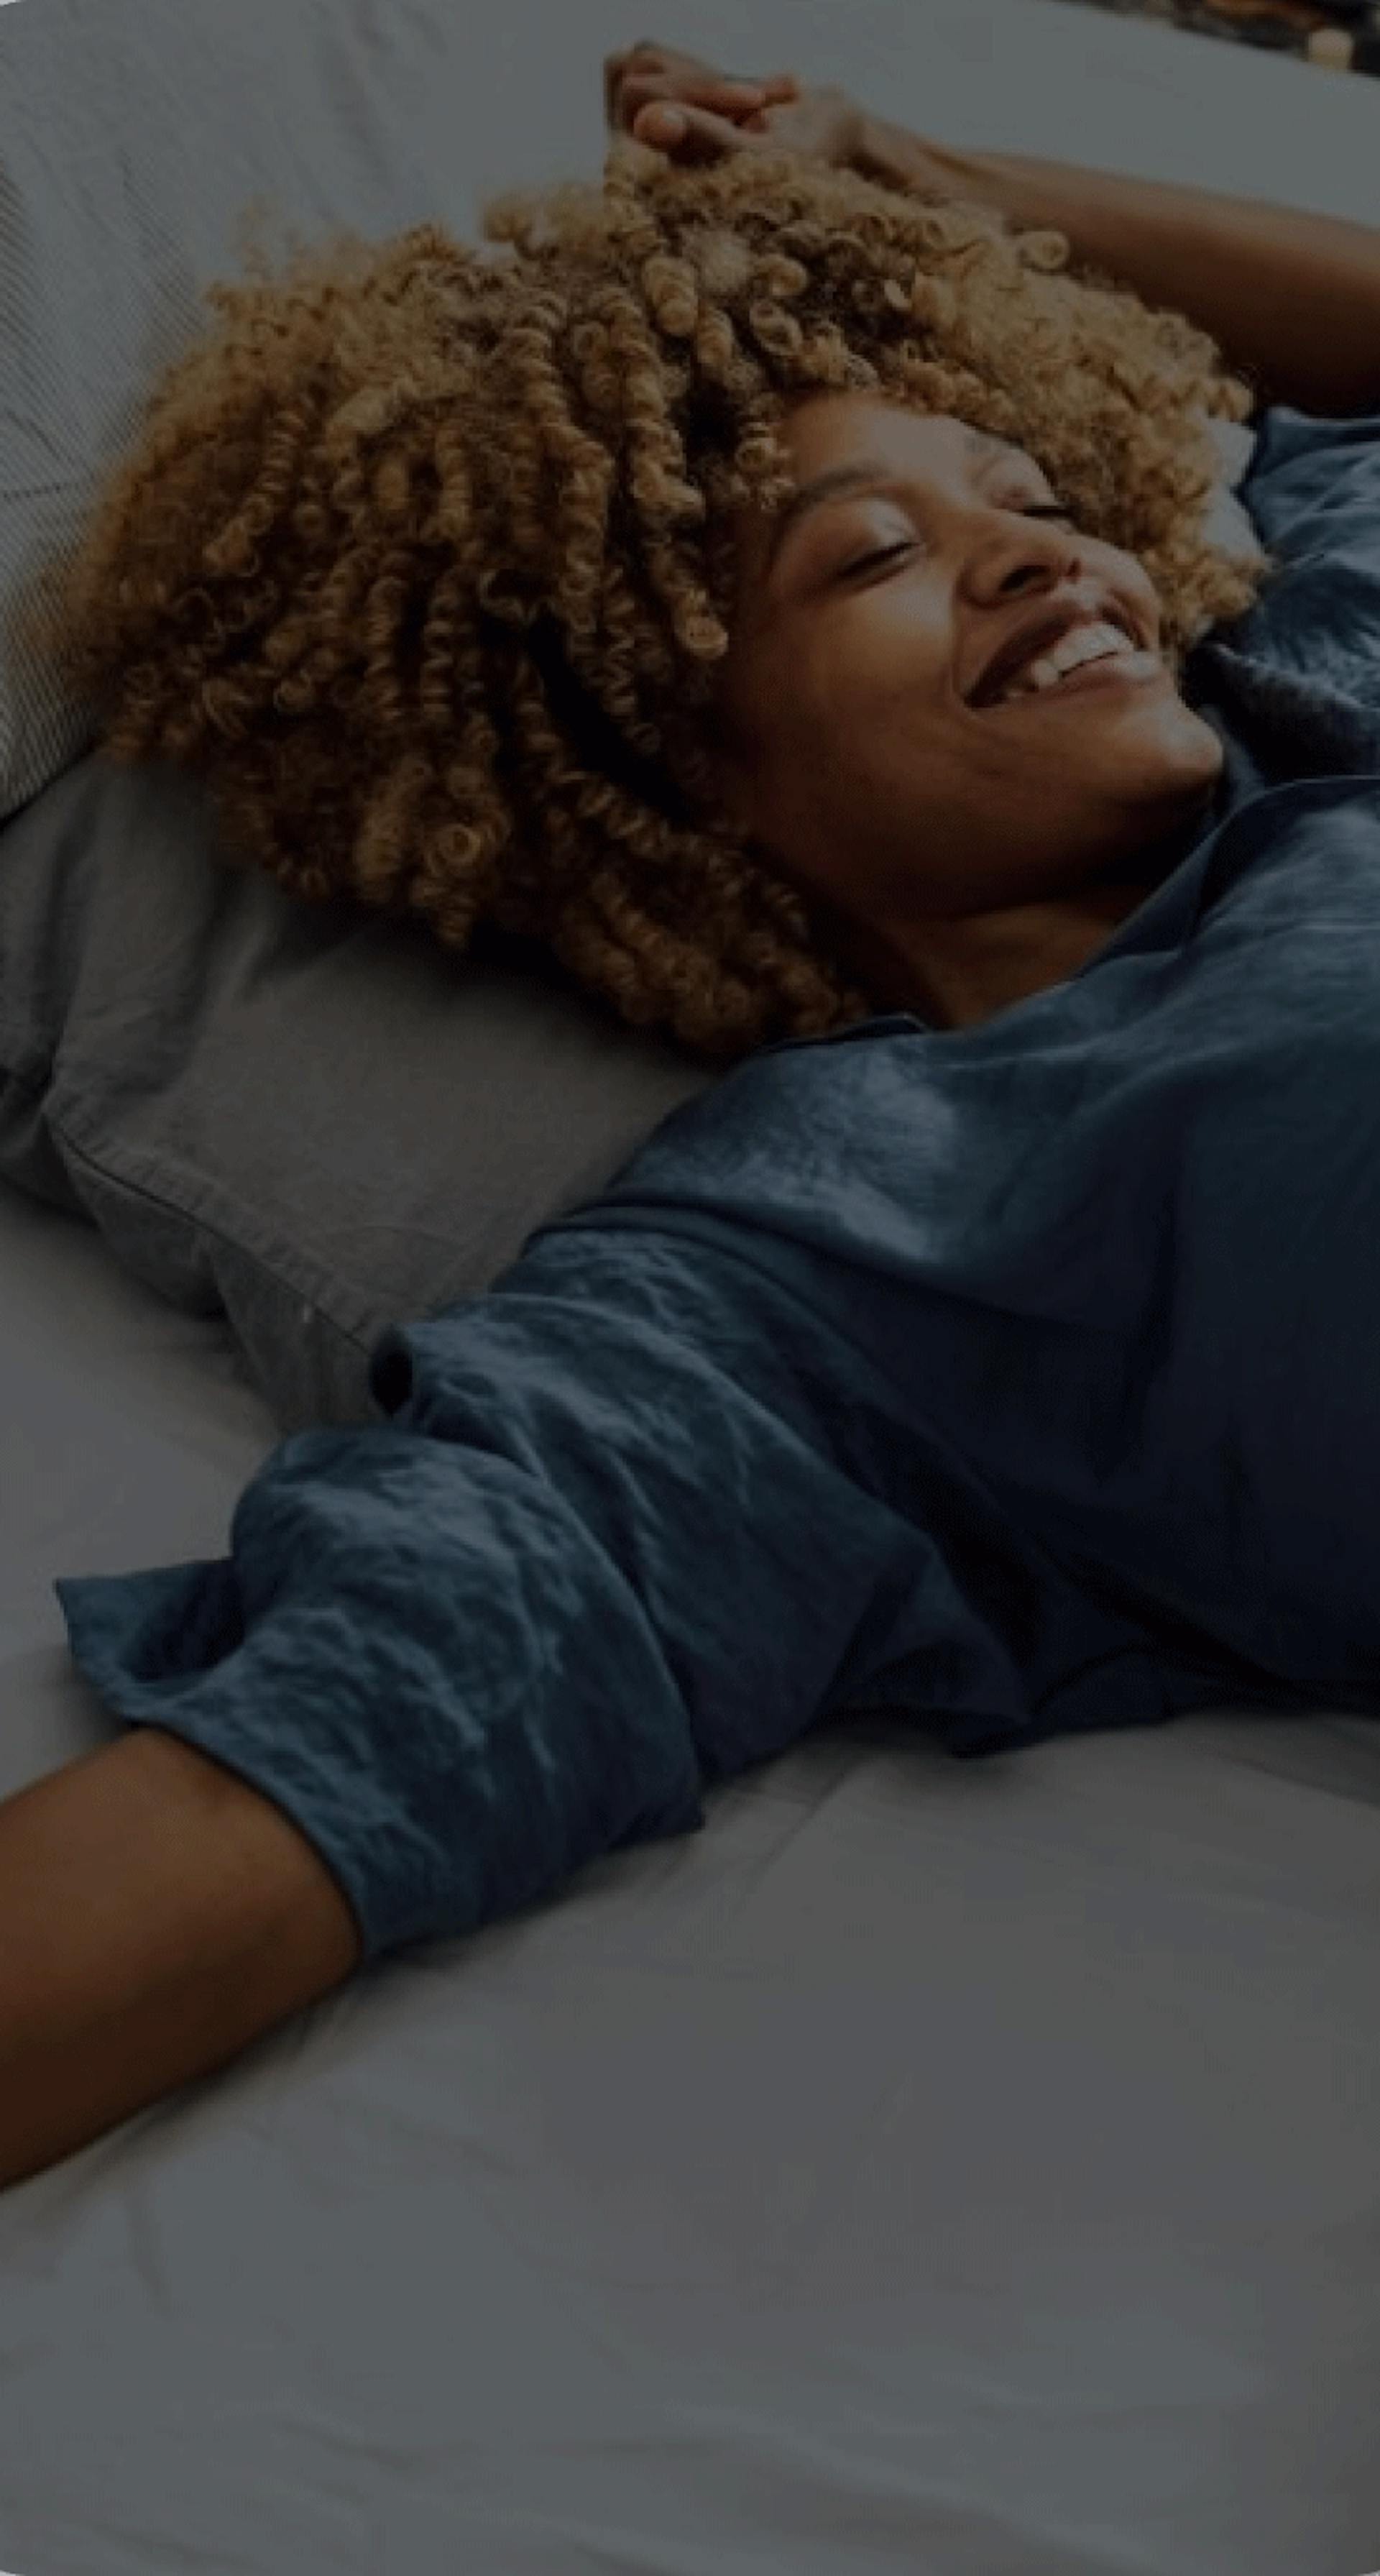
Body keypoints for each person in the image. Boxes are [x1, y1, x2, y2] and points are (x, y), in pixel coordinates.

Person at [3, 37, 1380, 2194]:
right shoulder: (843, 1270)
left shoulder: (1322, 673)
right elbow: (365, 1725)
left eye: (1032, 498)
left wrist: (908, 171)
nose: (1045, 564)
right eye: (871, 561)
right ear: (676, 781)